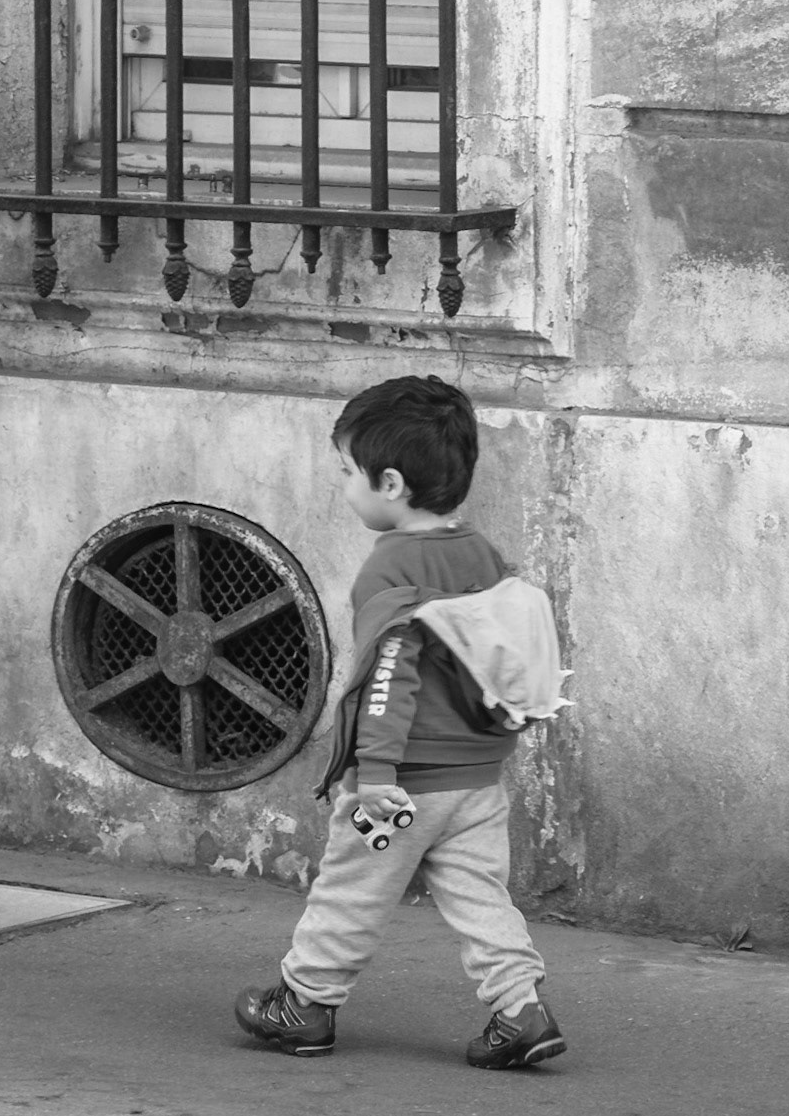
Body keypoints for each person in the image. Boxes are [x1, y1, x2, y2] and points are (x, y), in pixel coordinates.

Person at [234, 374, 567, 1069]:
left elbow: (389, 673)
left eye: (347, 471)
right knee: (481, 894)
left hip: (401, 783)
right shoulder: (481, 555)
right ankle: (521, 1009)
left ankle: (306, 1004)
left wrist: (376, 772)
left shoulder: (388, 571)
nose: (343, 484)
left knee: (352, 889)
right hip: (476, 779)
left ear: (389, 482)